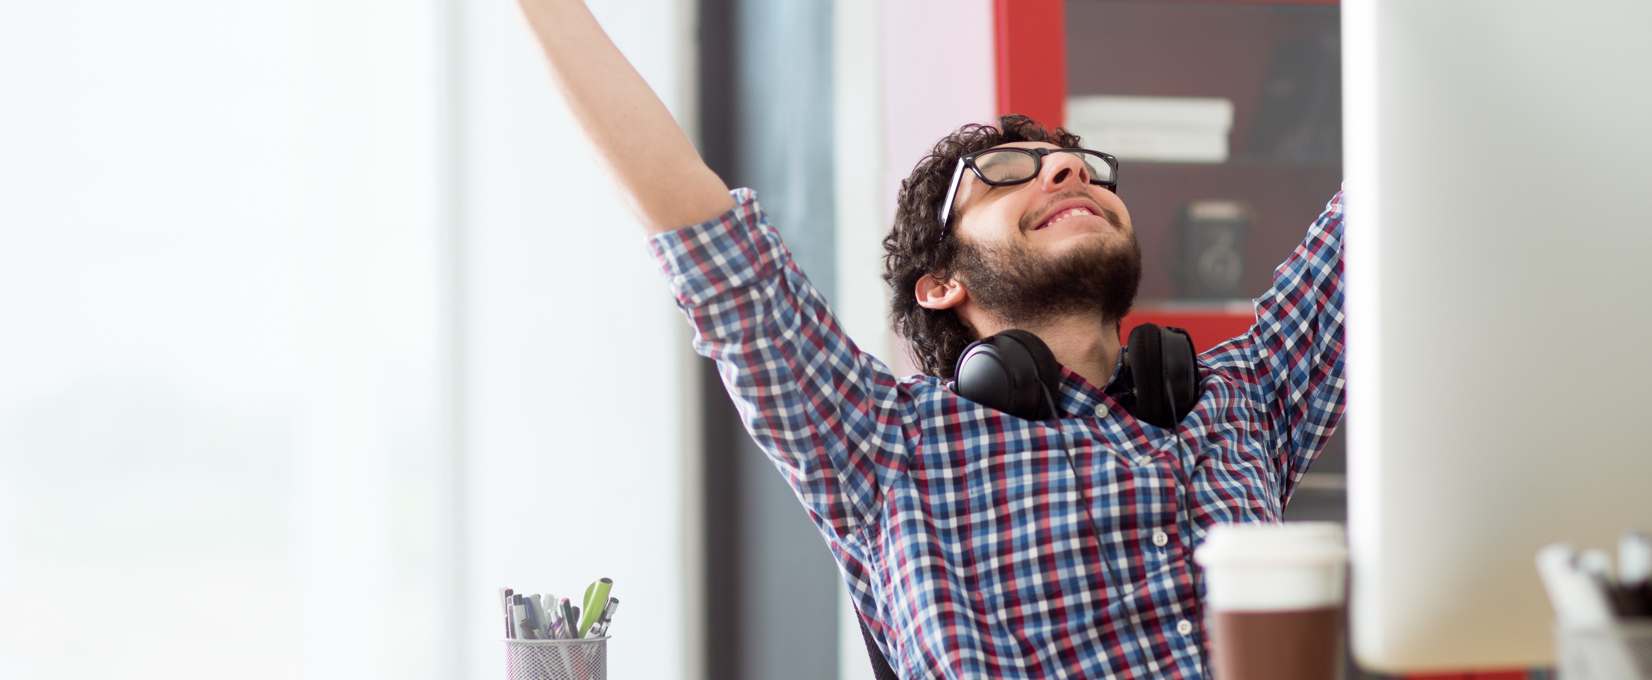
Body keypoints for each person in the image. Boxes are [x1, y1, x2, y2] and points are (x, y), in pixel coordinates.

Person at [511, 1, 1346, 678]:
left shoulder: (1247, 394)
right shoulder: (884, 446)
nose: (1070, 170)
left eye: (1082, 163)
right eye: (1007, 173)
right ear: (942, 284)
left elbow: (1389, 183)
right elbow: (701, 230)